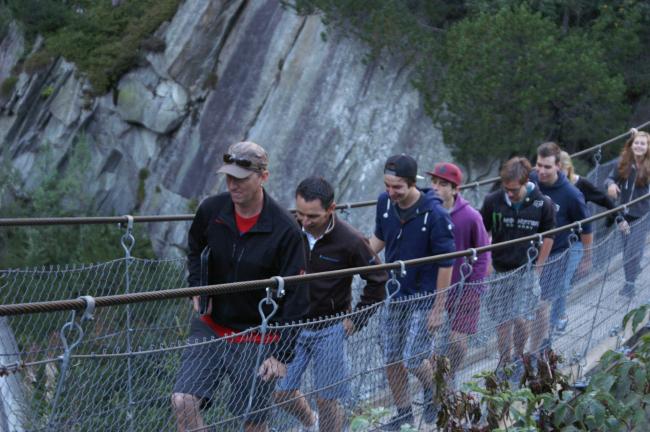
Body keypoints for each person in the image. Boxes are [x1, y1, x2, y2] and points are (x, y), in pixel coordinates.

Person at [171, 141, 310, 432]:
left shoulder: (286, 230)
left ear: (263, 177)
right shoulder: (211, 210)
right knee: (183, 401)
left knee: (252, 422)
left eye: (241, 179)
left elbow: (297, 296)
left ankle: (311, 422)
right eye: (228, 177)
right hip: (212, 324)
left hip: (259, 336)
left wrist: (281, 356)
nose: (233, 185)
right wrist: (197, 285)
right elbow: (195, 248)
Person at [274, 176, 387, 432]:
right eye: (300, 213)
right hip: (292, 327)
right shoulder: (289, 230)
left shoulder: (350, 240)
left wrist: (355, 321)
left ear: (331, 209)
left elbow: (378, 279)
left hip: (330, 327)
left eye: (312, 216)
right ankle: (311, 422)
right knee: (281, 391)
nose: (304, 221)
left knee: (326, 399)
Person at [369, 154, 455, 430]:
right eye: (387, 186)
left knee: (414, 357)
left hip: (424, 295)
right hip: (395, 292)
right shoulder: (385, 203)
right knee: (392, 356)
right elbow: (379, 239)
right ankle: (403, 413)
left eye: (397, 187)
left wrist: (438, 309)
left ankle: (434, 389)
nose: (391, 192)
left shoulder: (435, 215)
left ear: (411, 183)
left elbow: (446, 263)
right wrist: (355, 259)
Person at [480, 157, 555, 375]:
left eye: (514, 190)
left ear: (525, 182)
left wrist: (538, 268)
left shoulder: (543, 203)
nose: (510, 194)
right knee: (502, 321)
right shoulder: (493, 200)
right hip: (500, 269)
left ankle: (519, 356)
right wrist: (486, 261)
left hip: (526, 270)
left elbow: (549, 235)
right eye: (506, 189)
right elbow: (483, 231)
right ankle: (504, 363)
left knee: (521, 318)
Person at [428, 162, 490, 380]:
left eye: (443, 184)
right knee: (428, 343)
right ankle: (437, 382)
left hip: (464, 288)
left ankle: (448, 376)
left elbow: (483, 253)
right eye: (434, 182)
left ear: (455, 189)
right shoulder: (426, 212)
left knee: (458, 343)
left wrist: (474, 287)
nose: (436, 188)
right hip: (432, 287)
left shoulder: (471, 217)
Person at [531, 142, 592, 342]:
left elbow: (586, 228)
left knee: (541, 305)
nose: (541, 171)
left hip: (555, 256)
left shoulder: (571, 195)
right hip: (527, 254)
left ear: (558, 166)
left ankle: (539, 346)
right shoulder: (530, 180)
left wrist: (587, 258)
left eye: (547, 167)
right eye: (539, 165)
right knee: (521, 308)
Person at [556, 151, 617, 331]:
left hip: (576, 241)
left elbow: (603, 198)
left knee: (563, 282)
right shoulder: (547, 184)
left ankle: (559, 318)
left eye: (560, 170)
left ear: (568, 168)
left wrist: (618, 217)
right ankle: (550, 320)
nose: (557, 175)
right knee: (550, 284)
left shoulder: (580, 184)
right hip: (555, 241)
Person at [605, 128, 650, 298]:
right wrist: (610, 185)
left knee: (632, 251)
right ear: (631, 145)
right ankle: (632, 273)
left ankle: (629, 285)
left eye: (643, 144)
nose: (639, 146)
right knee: (627, 252)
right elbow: (609, 178)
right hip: (623, 214)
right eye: (636, 143)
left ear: (648, 147)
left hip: (642, 215)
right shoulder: (624, 163)